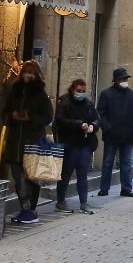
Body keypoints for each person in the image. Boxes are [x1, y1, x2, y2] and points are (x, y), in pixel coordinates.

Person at [1, 59, 54, 225]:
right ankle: (24, 207)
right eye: (25, 72)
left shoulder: (41, 95)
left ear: (36, 75)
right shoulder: (14, 91)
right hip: (15, 142)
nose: (28, 75)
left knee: (31, 177)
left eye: (31, 73)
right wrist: (12, 116)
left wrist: (30, 117)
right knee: (18, 177)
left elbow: (48, 116)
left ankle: (31, 210)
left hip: (33, 141)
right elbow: (4, 112)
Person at [54, 78, 99, 214]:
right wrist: (78, 124)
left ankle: (84, 203)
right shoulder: (65, 103)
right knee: (66, 173)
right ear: (73, 90)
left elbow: (97, 118)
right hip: (70, 143)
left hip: (85, 142)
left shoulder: (88, 104)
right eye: (78, 91)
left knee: (82, 174)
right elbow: (60, 120)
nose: (81, 94)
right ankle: (60, 201)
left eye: (83, 91)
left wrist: (93, 126)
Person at [96, 67, 133, 197]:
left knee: (126, 162)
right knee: (108, 162)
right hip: (111, 134)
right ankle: (104, 188)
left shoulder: (132, 95)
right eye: (122, 79)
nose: (125, 81)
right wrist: (107, 127)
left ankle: (126, 188)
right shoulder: (106, 94)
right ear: (115, 80)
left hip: (127, 134)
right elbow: (101, 112)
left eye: (126, 78)